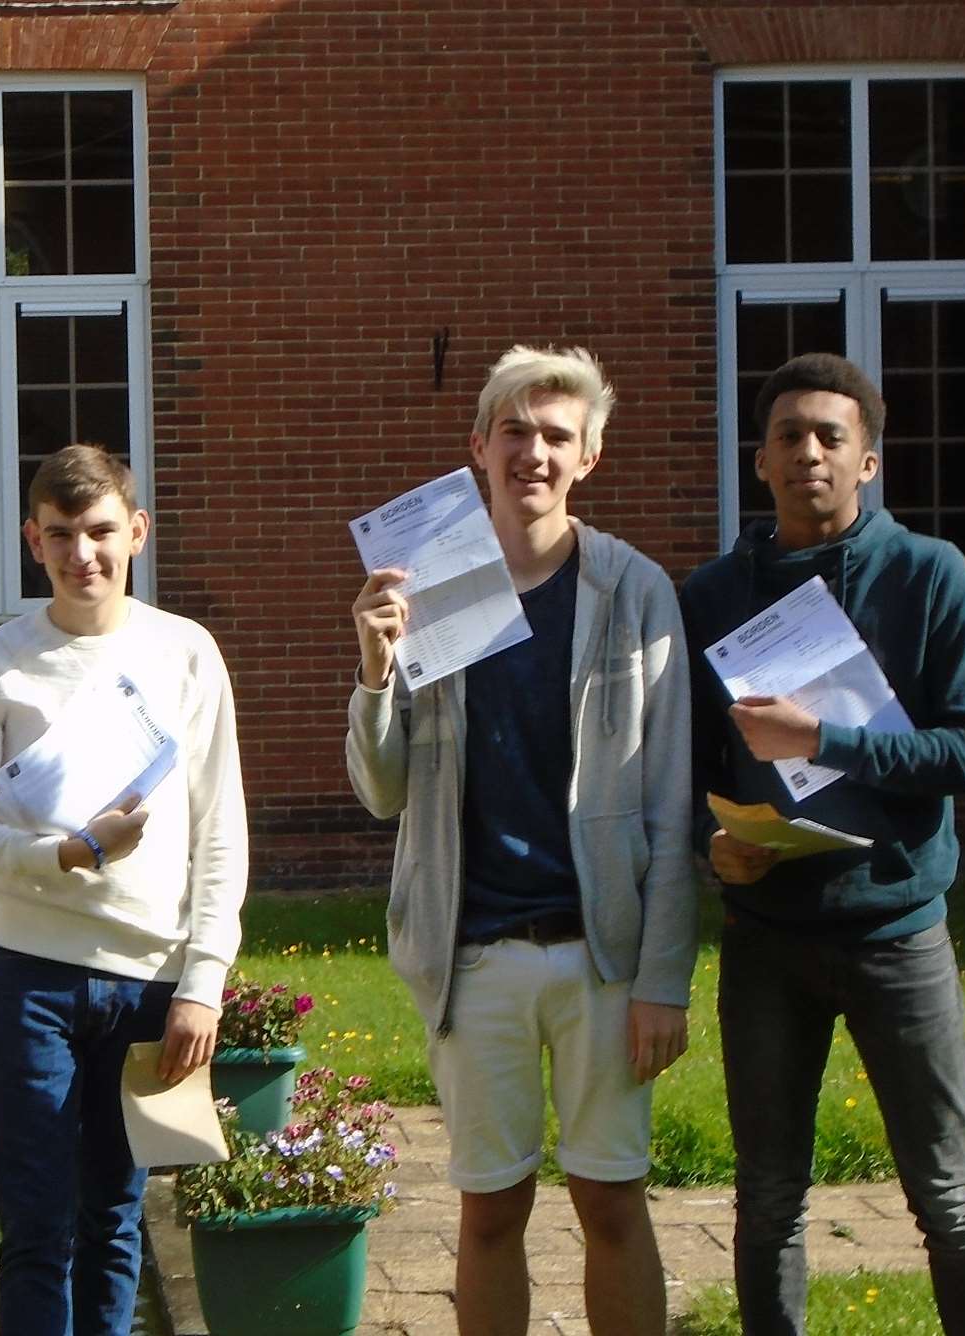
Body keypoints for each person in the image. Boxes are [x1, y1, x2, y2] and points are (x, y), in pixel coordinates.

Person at [346, 346, 695, 1336]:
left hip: (604, 954)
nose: (533, 452)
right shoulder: (430, 587)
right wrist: (375, 669)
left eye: (556, 435)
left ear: (588, 456)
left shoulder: (633, 591)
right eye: (515, 431)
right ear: (479, 448)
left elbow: (669, 801)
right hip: (477, 949)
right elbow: (381, 792)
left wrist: (663, 976)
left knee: (613, 1201)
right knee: (491, 1208)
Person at [679, 352, 965, 1336]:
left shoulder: (928, 575)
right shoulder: (712, 596)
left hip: (897, 933)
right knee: (768, 1199)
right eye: (789, 436)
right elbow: (693, 769)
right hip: (766, 937)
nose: (809, 451)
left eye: (831, 435)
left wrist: (826, 738)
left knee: (947, 1198)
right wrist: (716, 841)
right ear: (761, 460)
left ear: (868, 459)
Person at [0, 443, 248, 1335]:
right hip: (33, 975)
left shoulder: (186, 653)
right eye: (60, 534)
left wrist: (203, 983)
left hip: (149, 980)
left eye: (101, 531)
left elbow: (221, 832)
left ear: (136, 532)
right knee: (36, 1225)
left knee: (114, 1219)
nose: (83, 554)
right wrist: (58, 854)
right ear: (32, 540)